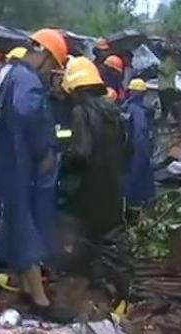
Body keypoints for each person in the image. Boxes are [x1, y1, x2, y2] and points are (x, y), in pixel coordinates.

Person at [0, 28, 68, 307]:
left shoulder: (6, 73)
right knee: (27, 225)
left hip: (0, 160)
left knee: (17, 223)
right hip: (19, 162)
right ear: (43, 54)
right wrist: (43, 152)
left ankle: (30, 291)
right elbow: (28, 113)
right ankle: (40, 301)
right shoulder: (27, 80)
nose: (50, 70)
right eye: (52, 64)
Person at [62, 56, 129, 242]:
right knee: (108, 242)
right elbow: (126, 146)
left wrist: (64, 159)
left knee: (87, 244)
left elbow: (81, 152)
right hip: (113, 189)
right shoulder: (113, 110)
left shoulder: (80, 111)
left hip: (89, 192)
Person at [122, 78, 156, 209]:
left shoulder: (127, 107)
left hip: (129, 148)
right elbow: (140, 132)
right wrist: (143, 152)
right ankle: (138, 205)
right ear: (142, 93)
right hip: (138, 148)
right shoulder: (139, 111)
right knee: (139, 176)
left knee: (132, 176)